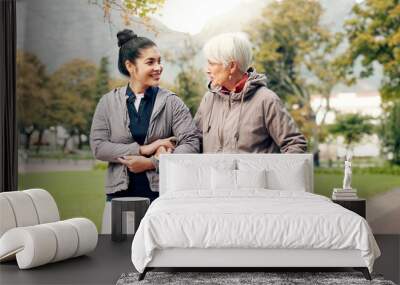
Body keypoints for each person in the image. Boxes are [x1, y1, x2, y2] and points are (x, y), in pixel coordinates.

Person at [90, 29, 199, 233]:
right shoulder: (107, 102)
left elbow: (192, 143)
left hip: (161, 199)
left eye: (159, 61)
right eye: (150, 62)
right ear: (130, 66)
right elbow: (98, 147)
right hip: (119, 199)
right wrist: (144, 149)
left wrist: (152, 163)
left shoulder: (172, 102)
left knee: (159, 261)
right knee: (116, 258)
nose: (158, 67)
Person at [194, 33, 307, 153]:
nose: (207, 70)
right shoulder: (209, 99)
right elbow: (194, 140)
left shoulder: (266, 100)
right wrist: (174, 143)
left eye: (212, 63)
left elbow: (295, 145)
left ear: (232, 66)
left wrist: (274, 171)